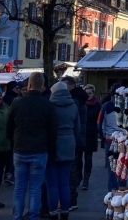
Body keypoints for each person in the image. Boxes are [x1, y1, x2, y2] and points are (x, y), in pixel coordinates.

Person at [8, 72, 55, 220]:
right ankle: (33, 216)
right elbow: (52, 130)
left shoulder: (17, 103)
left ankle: (17, 215)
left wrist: (13, 142)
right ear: (42, 86)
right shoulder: (47, 104)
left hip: (20, 148)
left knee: (19, 186)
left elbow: (9, 126)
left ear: (28, 85)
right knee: (35, 188)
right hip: (39, 150)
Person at [47, 81, 81, 220]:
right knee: (65, 182)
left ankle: (53, 212)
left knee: (52, 183)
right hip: (69, 143)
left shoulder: (50, 106)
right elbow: (77, 128)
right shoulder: (73, 105)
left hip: (53, 144)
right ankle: (65, 211)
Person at [61, 76, 86, 211]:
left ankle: (71, 200)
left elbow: (78, 123)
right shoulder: (79, 99)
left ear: (72, 86)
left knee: (71, 171)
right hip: (76, 139)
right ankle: (71, 199)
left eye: (65, 85)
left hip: (73, 139)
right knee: (73, 169)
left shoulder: (74, 101)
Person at [99, 83, 123, 192]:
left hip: (109, 139)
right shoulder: (126, 104)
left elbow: (99, 123)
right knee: (123, 167)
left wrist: (103, 137)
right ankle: (122, 191)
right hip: (123, 139)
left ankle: (112, 193)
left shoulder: (106, 105)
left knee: (112, 168)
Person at [81, 84, 100, 190]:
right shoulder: (80, 104)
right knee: (78, 158)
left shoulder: (97, 105)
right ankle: (78, 177)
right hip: (81, 134)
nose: (88, 95)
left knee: (88, 159)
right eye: (86, 93)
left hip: (91, 134)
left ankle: (86, 180)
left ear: (93, 93)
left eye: (90, 93)